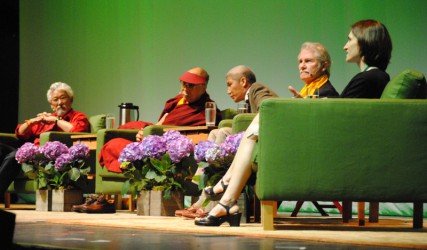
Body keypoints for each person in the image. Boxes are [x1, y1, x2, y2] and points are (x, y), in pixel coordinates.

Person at [195, 19, 392, 227]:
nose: (345, 46)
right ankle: (226, 199)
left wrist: (307, 108)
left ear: (365, 43)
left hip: (330, 150)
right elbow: (344, 113)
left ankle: (226, 191)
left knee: (262, 120)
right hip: (330, 144)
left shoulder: (369, 78)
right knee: (257, 129)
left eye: (350, 40)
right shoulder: (371, 78)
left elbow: (340, 119)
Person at [175, 65, 279, 218]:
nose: (227, 90)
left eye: (230, 84)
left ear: (243, 81)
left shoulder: (257, 89)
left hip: (265, 141)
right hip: (253, 140)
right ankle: (202, 198)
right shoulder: (248, 97)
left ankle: (205, 200)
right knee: (215, 132)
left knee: (223, 132)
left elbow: (268, 109)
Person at [98, 67, 222, 174]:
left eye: (190, 85)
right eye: (183, 83)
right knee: (125, 131)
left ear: (203, 87)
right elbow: (161, 124)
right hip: (154, 139)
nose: (185, 89)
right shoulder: (178, 100)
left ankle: (135, 161)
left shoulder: (207, 109)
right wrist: (146, 132)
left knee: (112, 146)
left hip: (165, 147)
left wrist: (151, 137)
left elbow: (185, 134)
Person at [0, 82, 90, 194]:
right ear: (51, 104)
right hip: (32, 154)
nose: (59, 103)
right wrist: (33, 121)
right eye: (55, 100)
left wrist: (56, 120)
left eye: (63, 98)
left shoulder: (78, 116)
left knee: (14, 156)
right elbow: (20, 133)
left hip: (49, 157)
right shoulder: (46, 119)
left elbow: (77, 131)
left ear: (71, 99)